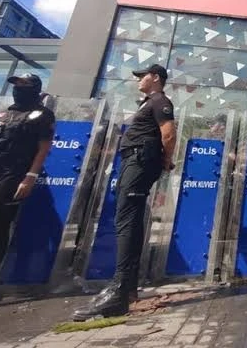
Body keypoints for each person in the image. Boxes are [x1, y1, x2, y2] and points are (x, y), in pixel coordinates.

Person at [73, 64, 177, 320]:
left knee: (127, 220)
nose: (138, 80)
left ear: (156, 77)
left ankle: (119, 291)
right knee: (127, 219)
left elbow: (169, 134)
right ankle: (127, 288)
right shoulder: (147, 102)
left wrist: (165, 161)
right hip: (133, 160)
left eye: (143, 76)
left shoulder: (160, 101)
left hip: (141, 161)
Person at [0, 74, 55, 311]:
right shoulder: (4, 113)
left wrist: (30, 176)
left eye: (23, 84)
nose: (18, 88)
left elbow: (43, 148)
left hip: (10, 175)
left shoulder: (42, 115)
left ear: (34, 88)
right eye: (16, 84)